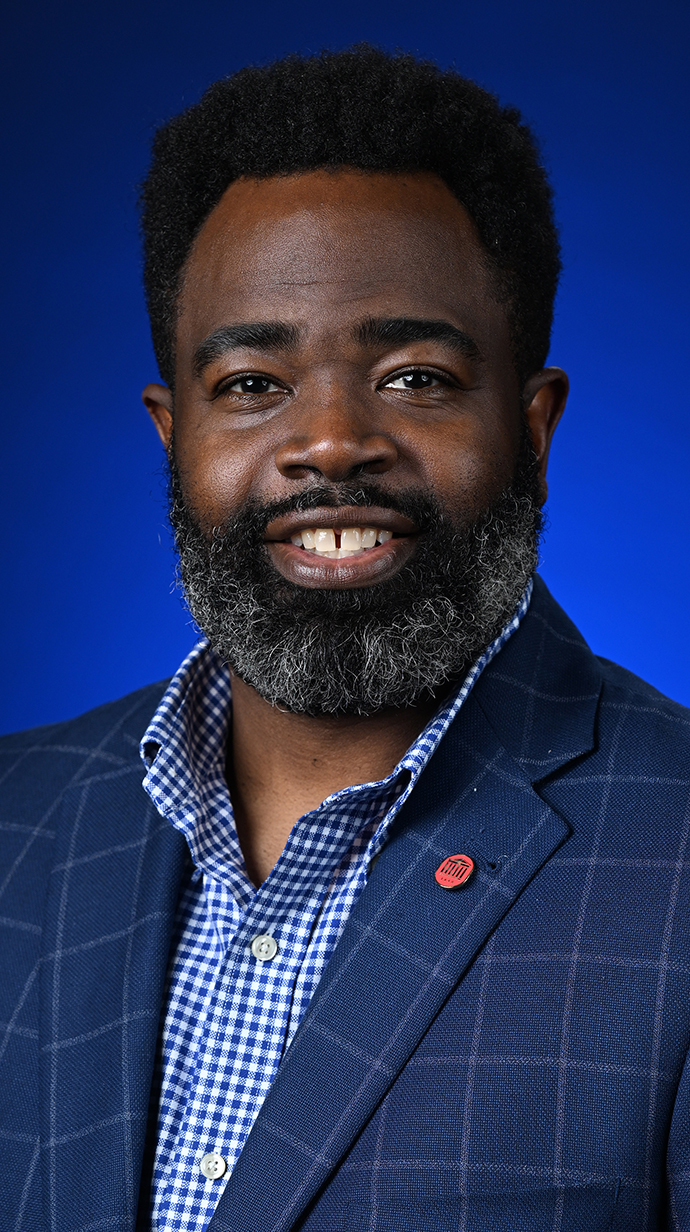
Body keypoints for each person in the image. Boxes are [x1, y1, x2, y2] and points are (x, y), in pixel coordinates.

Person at [1, 45, 689, 1232]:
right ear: (171, 433)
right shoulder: (15, 815)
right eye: (251, 383)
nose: (328, 441)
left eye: (416, 376)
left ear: (533, 428)